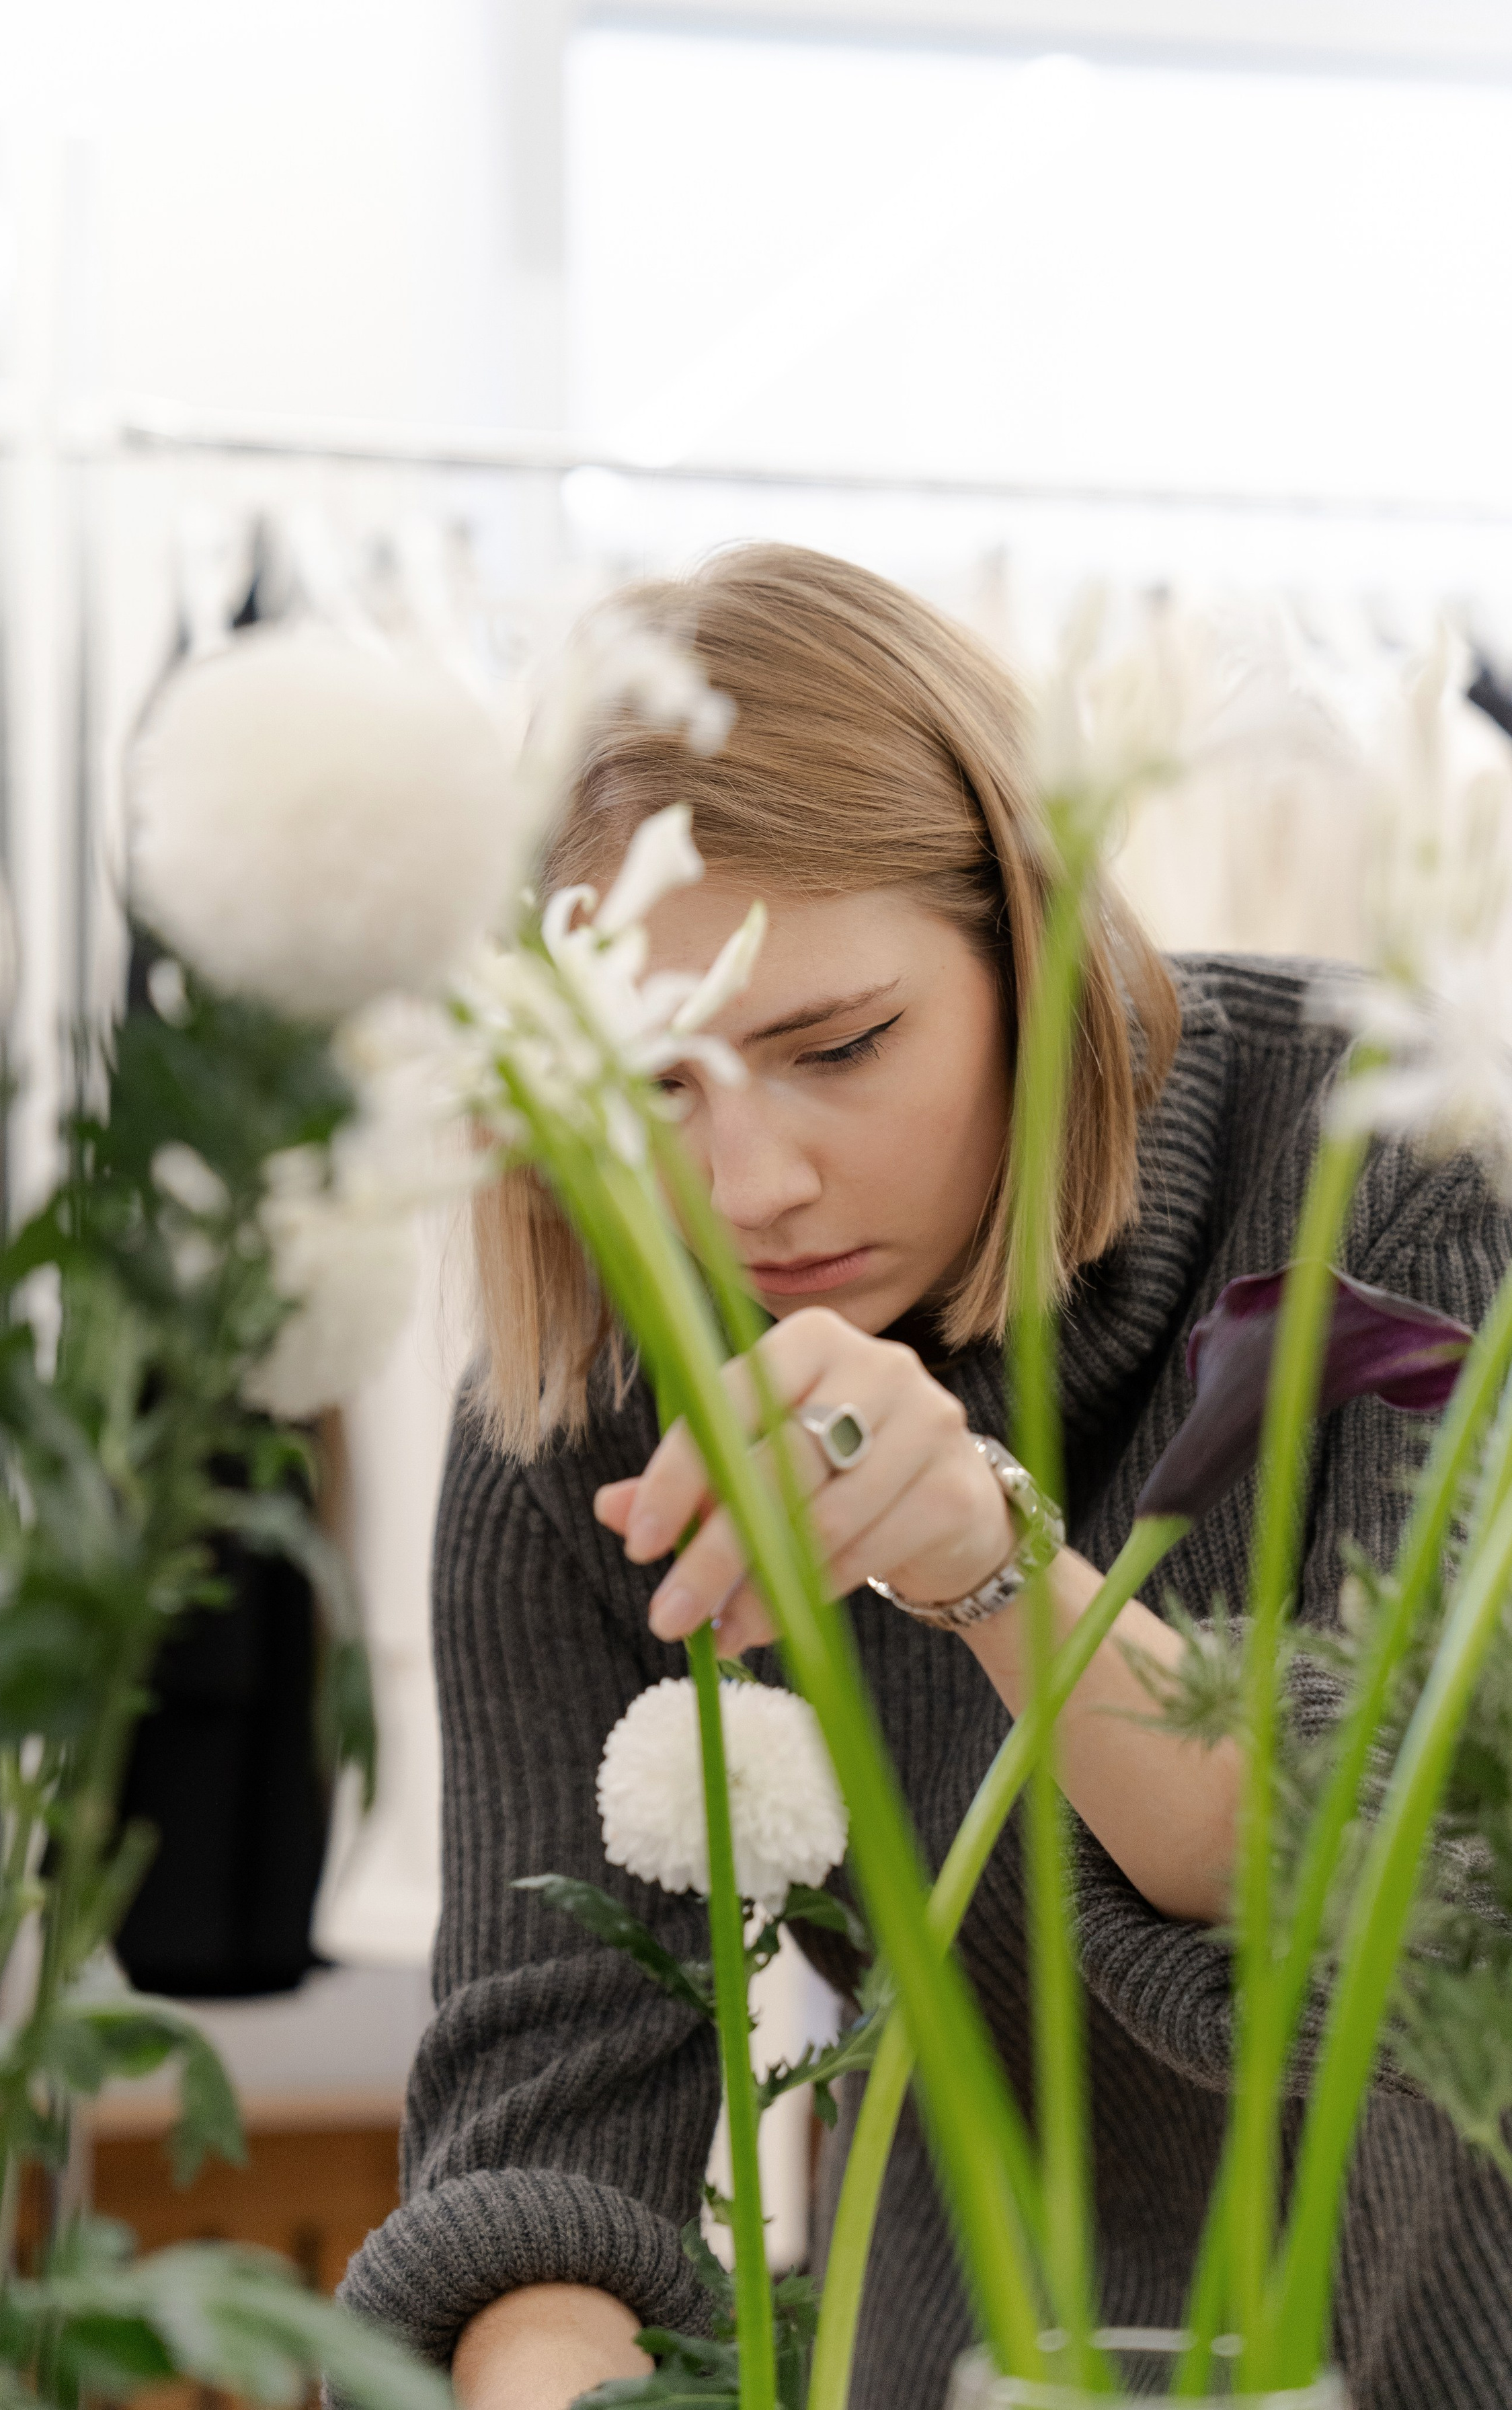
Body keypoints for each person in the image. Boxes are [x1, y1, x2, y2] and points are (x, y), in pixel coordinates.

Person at [339, 545, 1512, 2408]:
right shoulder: (591, 1407)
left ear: (1030, 945)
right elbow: (552, 2117)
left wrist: (987, 1562)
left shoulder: (1401, 1164)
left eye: (839, 1047)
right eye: (648, 1085)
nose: (746, 1189)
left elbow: (1384, 1871)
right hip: (980, 2351)